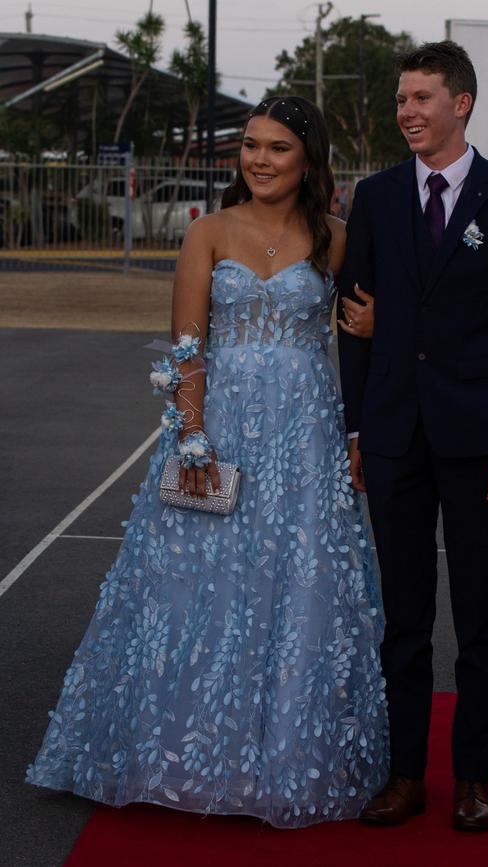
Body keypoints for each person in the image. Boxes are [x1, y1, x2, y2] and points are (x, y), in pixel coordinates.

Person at [26, 95, 388, 829]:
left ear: (308, 159)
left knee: (296, 584)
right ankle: (181, 752)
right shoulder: (209, 233)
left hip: (305, 439)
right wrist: (191, 435)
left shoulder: (339, 240)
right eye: (251, 145)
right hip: (217, 430)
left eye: (278, 148)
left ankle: (285, 752)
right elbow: (187, 346)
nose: (259, 158)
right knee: (198, 583)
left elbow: (369, 335)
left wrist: (376, 326)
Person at [337, 41, 488, 831]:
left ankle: (473, 776)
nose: (407, 112)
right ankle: (404, 773)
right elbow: (353, 323)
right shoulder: (378, 197)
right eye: (402, 98)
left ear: (461, 103)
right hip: (394, 436)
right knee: (403, 618)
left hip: (477, 441)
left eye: (422, 97)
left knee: (480, 617)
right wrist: (357, 427)